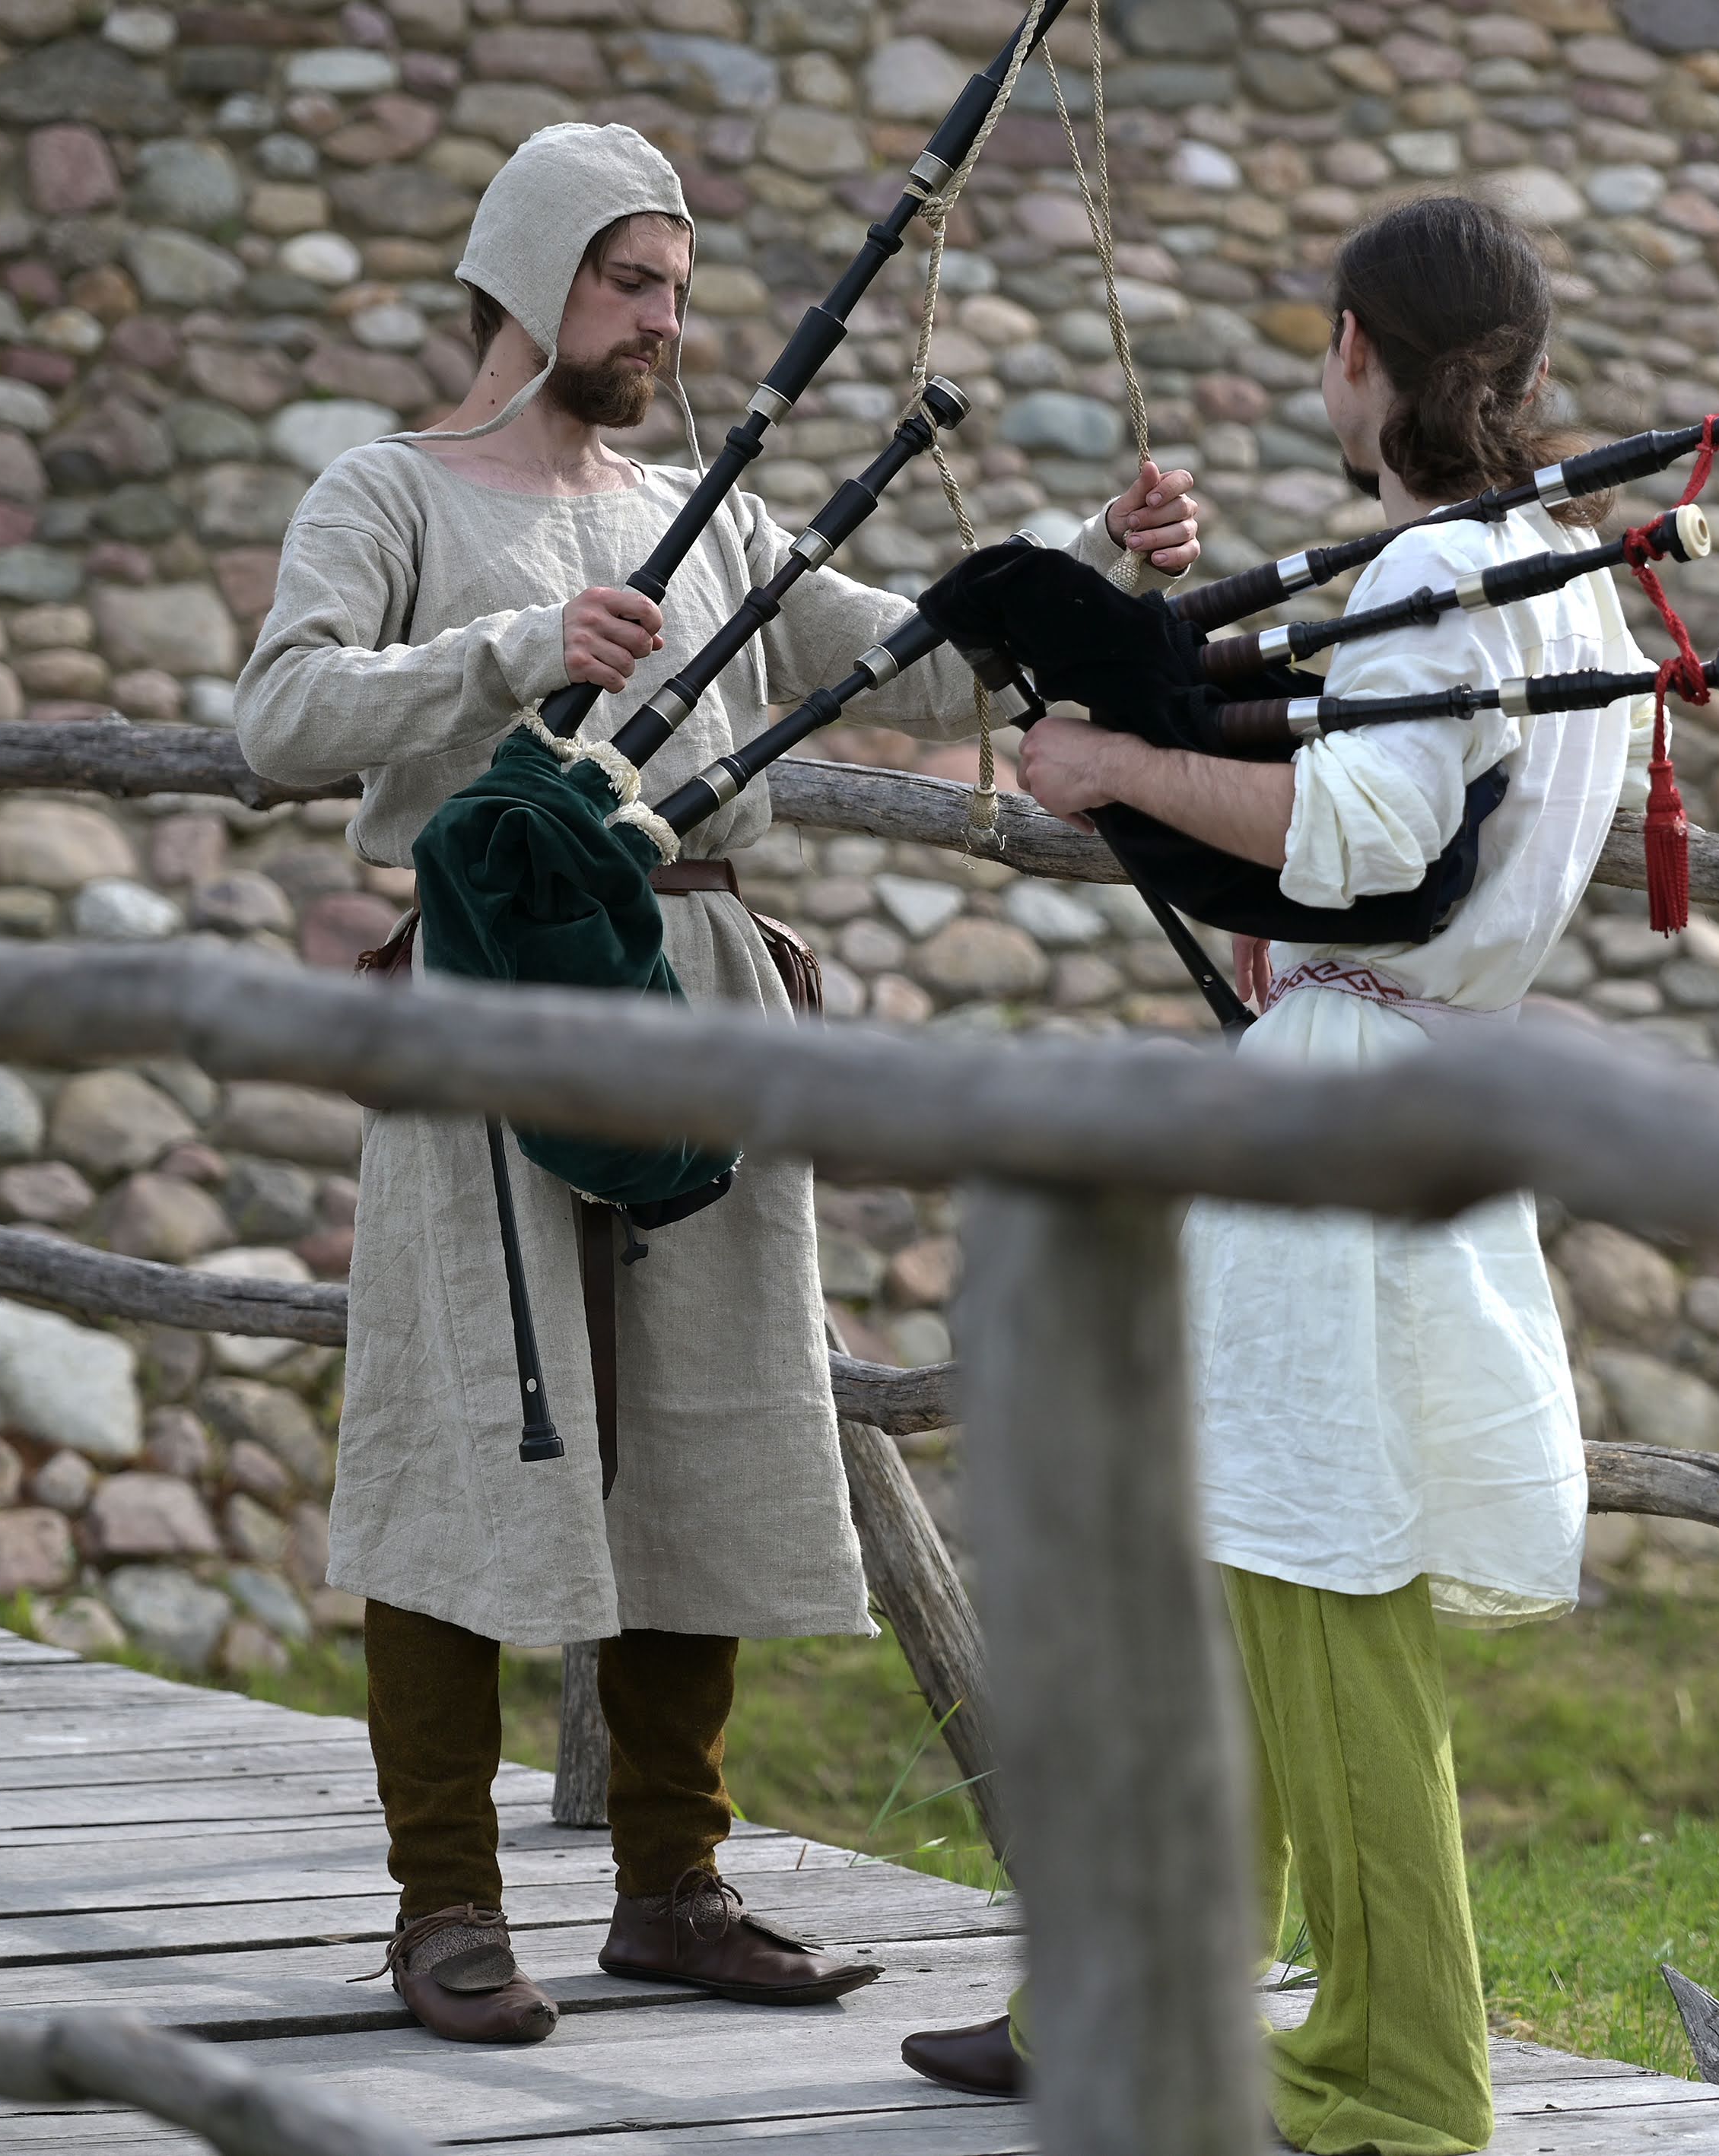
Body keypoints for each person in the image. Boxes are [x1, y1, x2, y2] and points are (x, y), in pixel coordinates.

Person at [234, 122, 1202, 2046]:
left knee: (696, 1428)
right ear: (525, 280)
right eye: (626, 282)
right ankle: (442, 1905)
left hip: (694, 978)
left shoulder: (721, 515)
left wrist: (1089, 572)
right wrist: (511, 649)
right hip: (491, 991)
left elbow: (914, 672)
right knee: (458, 1436)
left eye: (675, 286)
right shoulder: (390, 490)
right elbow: (280, 711)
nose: (662, 320)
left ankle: (672, 1883)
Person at [896, 195, 1647, 2151]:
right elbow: (1389, 802)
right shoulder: (1560, 568)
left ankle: (1402, 2080)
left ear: (1353, 356)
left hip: (1351, 1105)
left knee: (1328, 1615)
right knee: (1241, 1580)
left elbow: (1377, 837)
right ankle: (1117, 1994)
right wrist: (1160, 685)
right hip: (1395, 1079)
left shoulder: (1438, 571)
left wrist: (1120, 771)